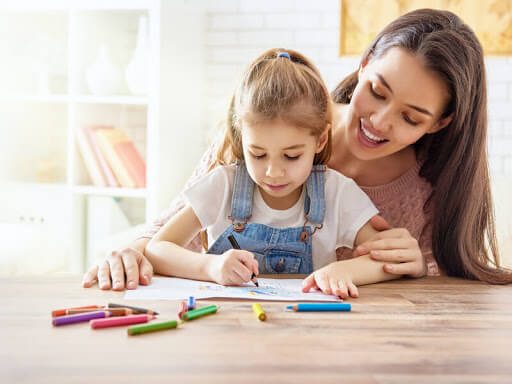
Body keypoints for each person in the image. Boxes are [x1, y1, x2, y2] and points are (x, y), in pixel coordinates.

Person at [83, 8, 512, 291]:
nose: (380, 121)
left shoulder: (427, 188)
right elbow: (167, 232)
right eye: (377, 91)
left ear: (440, 122)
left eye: (411, 118)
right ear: (363, 65)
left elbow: (435, 290)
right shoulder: (274, 119)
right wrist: (129, 253)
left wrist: (415, 268)